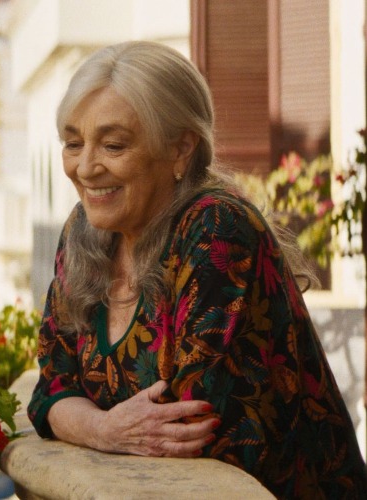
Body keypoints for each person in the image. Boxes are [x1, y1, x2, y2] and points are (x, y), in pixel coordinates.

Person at [27, 40, 367, 498]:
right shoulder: (85, 230)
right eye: (72, 143)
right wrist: (104, 429)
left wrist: (86, 420)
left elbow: (184, 426)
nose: (85, 168)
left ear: (181, 149)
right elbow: (50, 388)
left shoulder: (216, 229)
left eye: (113, 145)